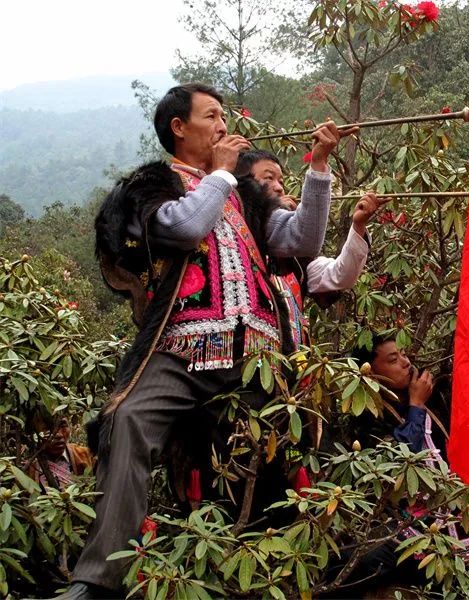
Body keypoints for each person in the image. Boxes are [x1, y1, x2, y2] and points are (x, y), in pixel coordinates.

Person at [47, 83, 351, 600]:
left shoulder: (246, 196)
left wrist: (318, 166)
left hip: (256, 356)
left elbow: (301, 241)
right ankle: (96, 580)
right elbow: (183, 229)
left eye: (225, 116)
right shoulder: (154, 185)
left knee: (279, 450)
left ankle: (274, 571)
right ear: (179, 129)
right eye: (212, 116)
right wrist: (222, 176)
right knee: (126, 420)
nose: (223, 125)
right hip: (181, 349)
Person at [334, 334, 469, 598]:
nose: (405, 362)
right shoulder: (367, 418)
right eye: (393, 359)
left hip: (460, 518)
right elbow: (396, 464)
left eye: (403, 354)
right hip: (410, 530)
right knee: (347, 566)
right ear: (370, 373)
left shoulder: (434, 398)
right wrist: (415, 406)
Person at [236, 149, 387, 305]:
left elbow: (340, 275)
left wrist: (358, 225)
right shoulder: (232, 236)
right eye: (269, 178)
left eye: (281, 181)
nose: (279, 188)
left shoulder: (298, 260)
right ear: (244, 185)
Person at [27, 417, 94, 490]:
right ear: (36, 432)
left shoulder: (87, 456)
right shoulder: (28, 469)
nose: (59, 435)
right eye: (48, 428)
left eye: (63, 426)